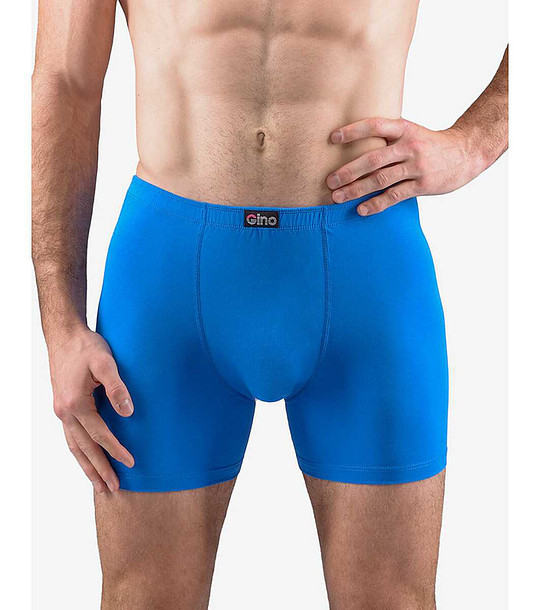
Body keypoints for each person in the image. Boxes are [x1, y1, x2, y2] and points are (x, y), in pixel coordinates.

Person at [32, 1, 508, 608]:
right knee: (142, 597)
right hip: (166, 281)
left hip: (367, 271)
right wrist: (60, 324)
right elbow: (66, 81)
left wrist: (472, 144)